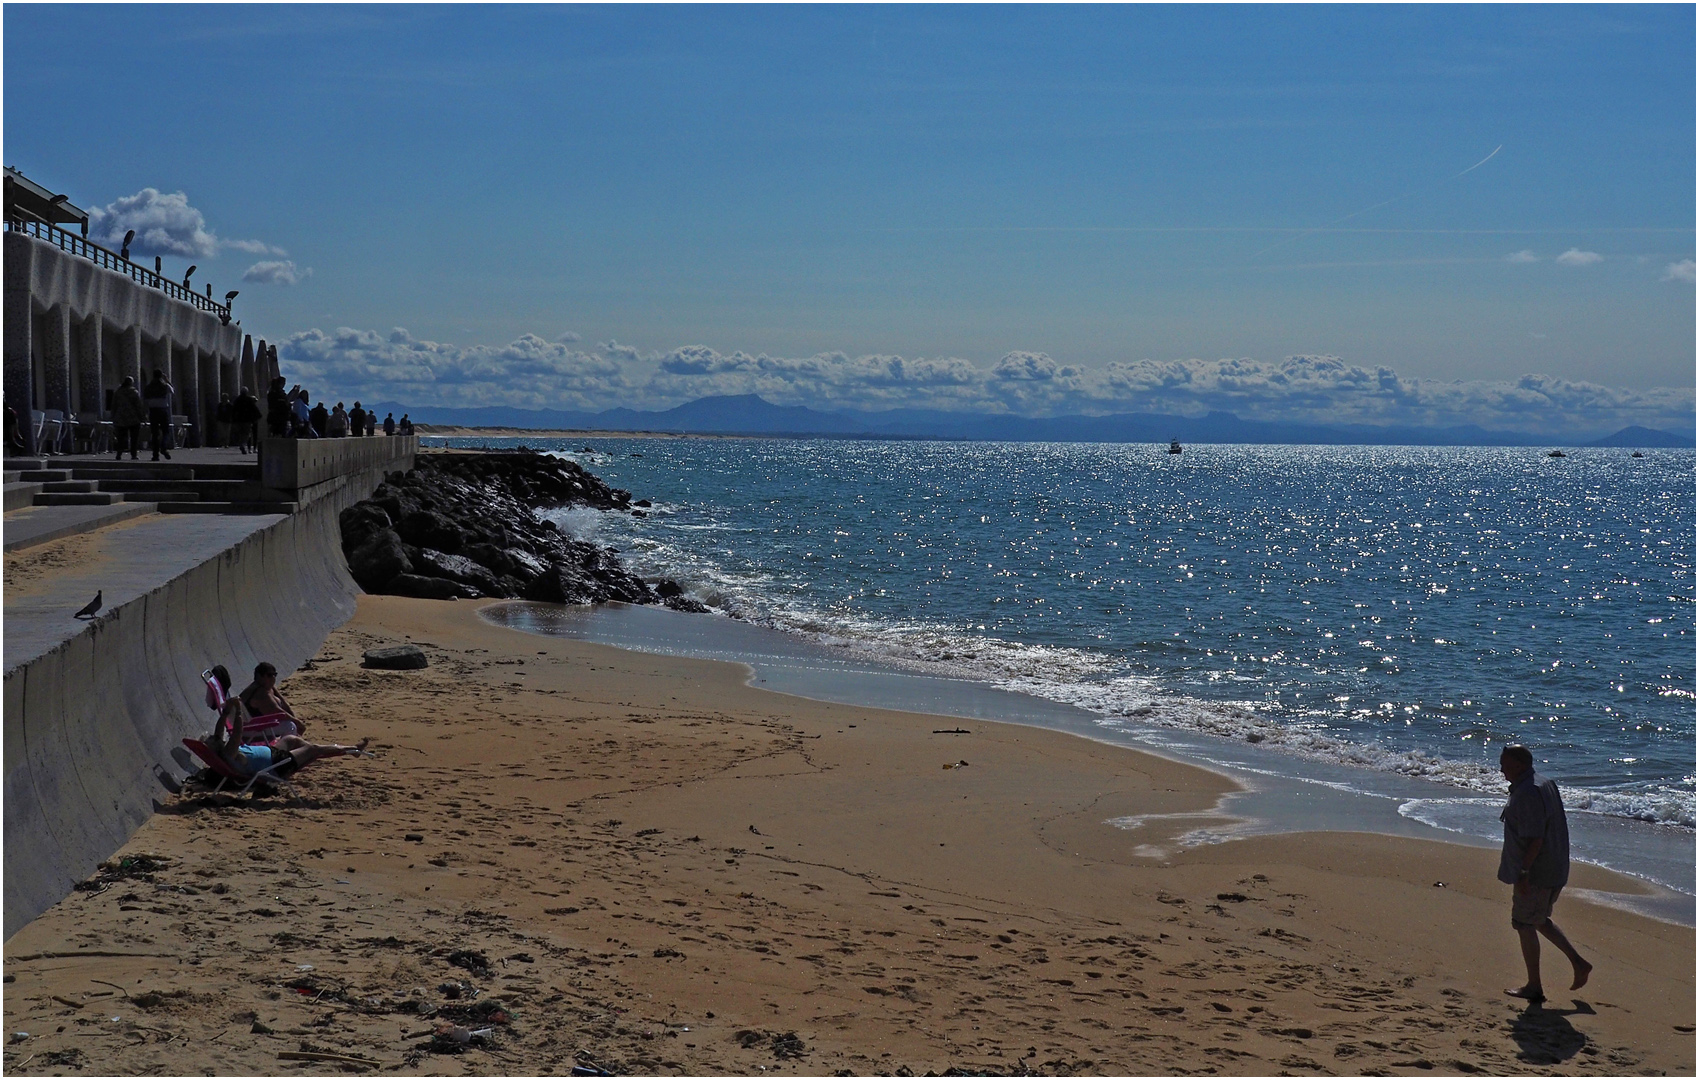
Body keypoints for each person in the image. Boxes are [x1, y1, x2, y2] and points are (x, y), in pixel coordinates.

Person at [1498, 743, 1591, 1004]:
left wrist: (1524, 873)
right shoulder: (1543, 782)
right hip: (1554, 866)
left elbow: (1535, 839)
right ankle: (1579, 963)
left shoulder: (1529, 791)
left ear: (1519, 764)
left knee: (1524, 923)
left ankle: (1534, 986)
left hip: (1538, 872)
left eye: (1504, 764)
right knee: (1537, 919)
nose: (1501, 769)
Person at [142, 368, 174, 461]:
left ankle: (155, 455)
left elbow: (145, 401)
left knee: (155, 433)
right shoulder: (165, 385)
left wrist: (145, 413)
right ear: (161, 376)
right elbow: (172, 391)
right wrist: (167, 379)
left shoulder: (148, 387)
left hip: (153, 411)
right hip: (163, 410)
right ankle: (163, 447)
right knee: (165, 431)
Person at [111, 376, 145, 461]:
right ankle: (134, 454)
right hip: (133, 418)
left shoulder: (118, 392)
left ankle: (119, 454)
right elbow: (138, 406)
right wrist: (142, 417)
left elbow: (114, 405)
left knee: (121, 438)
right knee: (134, 438)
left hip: (121, 417)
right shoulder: (134, 392)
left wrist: (113, 416)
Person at [233, 386, 262, 454]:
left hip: (239, 420)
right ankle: (243, 444)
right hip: (247, 420)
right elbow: (254, 409)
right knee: (246, 434)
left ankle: (241, 444)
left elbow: (234, 410)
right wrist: (258, 417)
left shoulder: (237, 400)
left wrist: (233, 419)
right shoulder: (249, 400)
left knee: (240, 433)